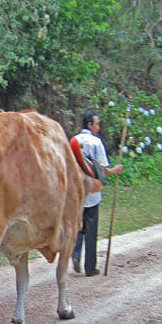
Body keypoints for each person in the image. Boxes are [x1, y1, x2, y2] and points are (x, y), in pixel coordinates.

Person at [71, 110, 123, 277]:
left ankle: (75, 254)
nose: (98, 127)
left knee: (78, 226)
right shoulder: (96, 142)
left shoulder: (74, 141)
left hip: (76, 192)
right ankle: (90, 267)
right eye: (97, 123)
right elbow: (100, 170)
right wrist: (114, 171)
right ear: (90, 124)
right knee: (91, 230)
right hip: (92, 191)